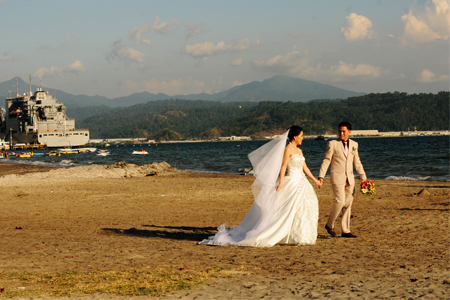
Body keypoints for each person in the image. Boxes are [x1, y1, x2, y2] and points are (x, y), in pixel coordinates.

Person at [199, 126, 321, 247]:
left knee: (302, 209)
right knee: (286, 210)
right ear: (295, 137)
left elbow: (305, 168)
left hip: (302, 182)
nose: (303, 138)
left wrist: (315, 180)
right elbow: (283, 166)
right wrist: (280, 182)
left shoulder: (299, 151)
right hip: (291, 182)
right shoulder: (288, 149)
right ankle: (282, 234)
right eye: (301, 136)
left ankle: (298, 234)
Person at [318, 121, 367, 238]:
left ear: (349, 132)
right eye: (339, 131)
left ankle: (345, 230)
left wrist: (363, 177)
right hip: (337, 177)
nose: (341, 133)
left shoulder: (355, 144)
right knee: (340, 201)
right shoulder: (332, 144)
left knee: (348, 203)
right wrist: (321, 176)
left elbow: (357, 161)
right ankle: (329, 224)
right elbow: (327, 160)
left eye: (344, 131)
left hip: (350, 178)